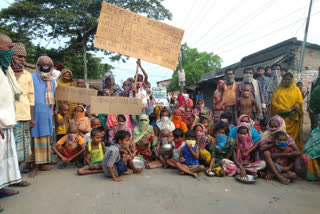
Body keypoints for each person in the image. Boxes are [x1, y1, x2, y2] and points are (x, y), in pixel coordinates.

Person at [0, 33, 23, 211]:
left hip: (6, 121)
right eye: (8, 48)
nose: (11, 52)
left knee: (4, 161)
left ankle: (1, 188)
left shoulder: (4, 69)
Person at [28, 56, 56, 178]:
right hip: (34, 114)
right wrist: (30, 116)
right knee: (34, 139)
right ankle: (34, 166)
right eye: (42, 64)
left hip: (47, 114)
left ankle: (43, 164)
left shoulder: (53, 81)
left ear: (51, 67)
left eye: (47, 64)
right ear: (38, 65)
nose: (45, 66)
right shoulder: (32, 78)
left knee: (45, 138)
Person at [11, 43, 34, 179]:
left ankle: (16, 176)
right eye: (19, 56)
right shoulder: (5, 72)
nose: (22, 59)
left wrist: (31, 117)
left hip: (24, 116)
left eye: (24, 57)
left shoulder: (27, 75)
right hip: (9, 118)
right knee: (10, 150)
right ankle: (11, 178)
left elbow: (31, 97)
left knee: (23, 150)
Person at [271, 72, 304, 151]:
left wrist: (293, 109)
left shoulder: (296, 90)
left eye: (289, 79)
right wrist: (285, 110)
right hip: (281, 118)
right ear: (282, 79)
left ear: (292, 80)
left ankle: (294, 152)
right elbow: (274, 102)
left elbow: (300, 102)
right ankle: (281, 151)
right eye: (285, 79)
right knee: (281, 135)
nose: (287, 81)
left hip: (293, 118)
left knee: (293, 138)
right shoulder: (278, 91)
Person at [303, 114, 320, 181]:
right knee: (306, 156)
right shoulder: (315, 132)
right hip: (315, 154)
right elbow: (308, 147)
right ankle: (315, 175)